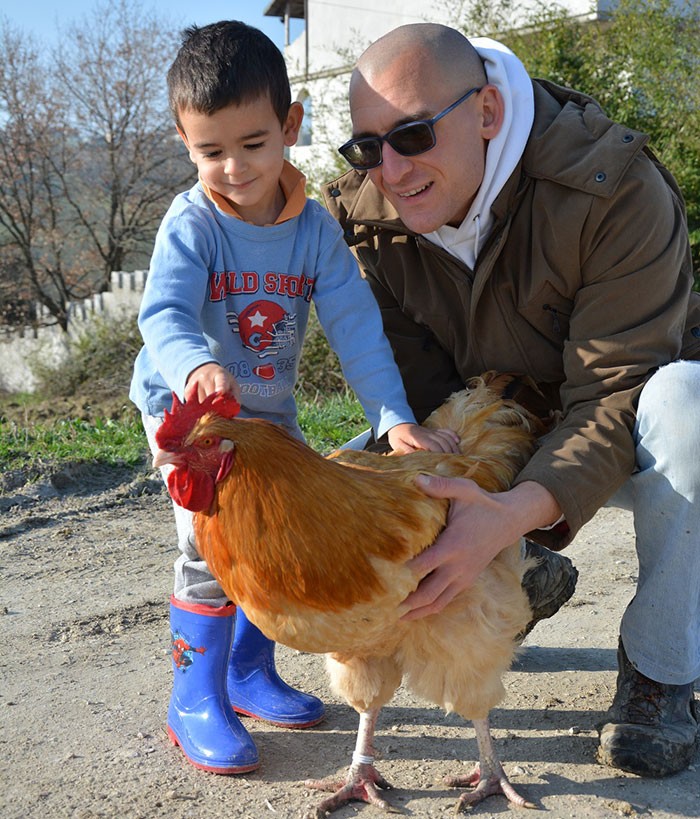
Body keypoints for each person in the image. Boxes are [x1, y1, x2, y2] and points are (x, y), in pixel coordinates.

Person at [323, 22, 700, 778]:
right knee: (366, 472)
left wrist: (512, 511)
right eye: (367, 147)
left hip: (628, 431)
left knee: (689, 404)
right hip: (494, 427)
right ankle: (523, 570)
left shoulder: (615, 186)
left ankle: (661, 669)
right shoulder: (362, 220)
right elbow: (419, 393)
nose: (390, 171)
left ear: (487, 112)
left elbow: (614, 394)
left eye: (414, 135)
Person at [129, 20, 460, 776]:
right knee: (209, 549)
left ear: (290, 126)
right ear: (186, 144)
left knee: (277, 541)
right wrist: (192, 370)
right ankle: (194, 693)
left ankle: (248, 672)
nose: (235, 168)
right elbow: (165, 317)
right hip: (193, 418)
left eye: (252, 144)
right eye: (210, 152)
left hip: (266, 413)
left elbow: (356, 328)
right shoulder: (193, 224)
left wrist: (394, 418)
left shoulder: (313, 230)